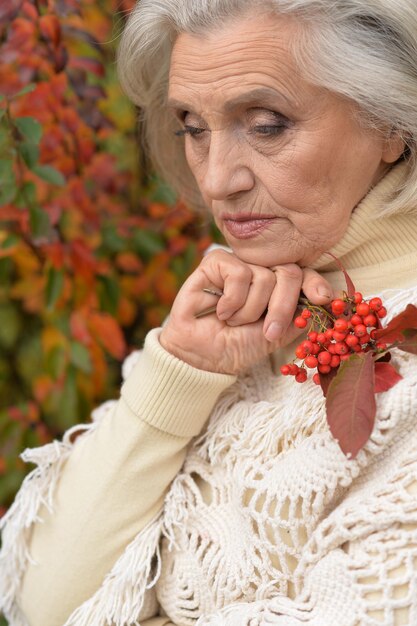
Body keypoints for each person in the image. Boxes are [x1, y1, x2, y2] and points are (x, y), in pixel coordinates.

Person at [1, 0, 417, 624]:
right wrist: (179, 374)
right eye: (193, 127)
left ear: (391, 123)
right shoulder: (221, 326)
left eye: (267, 123)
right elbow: (40, 601)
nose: (216, 180)